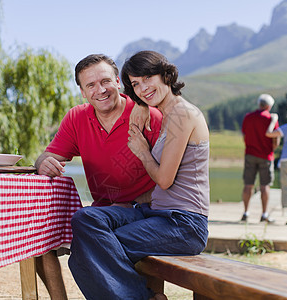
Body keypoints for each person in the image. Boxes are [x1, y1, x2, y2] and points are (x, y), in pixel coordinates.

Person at [68, 50, 210, 300]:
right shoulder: (165, 113)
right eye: (135, 83)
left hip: (184, 224)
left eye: (147, 78)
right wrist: (142, 107)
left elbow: (164, 180)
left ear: (165, 74)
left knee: (87, 252)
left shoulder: (183, 114)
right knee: (85, 218)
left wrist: (143, 151)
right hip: (156, 215)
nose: (143, 88)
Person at [34, 54, 163, 299]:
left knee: (82, 248)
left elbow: (171, 178)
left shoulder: (147, 116)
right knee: (82, 248)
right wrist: (44, 163)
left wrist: (133, 201)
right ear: (82, 92)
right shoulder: (76, 118)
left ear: (117, 82)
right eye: (91, 85)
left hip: (145, 212)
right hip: (104, 216)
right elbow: (46, 156)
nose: (100, 90)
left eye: (105, 81)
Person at [240, 94, 280, 223]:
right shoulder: (271, 118)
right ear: (269, 106)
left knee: (248, 185)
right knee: (265, 186)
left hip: (250, 154)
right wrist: (272, 150)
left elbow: (244, 135)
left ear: (259, 104)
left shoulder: (248, 117)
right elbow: (276, 139)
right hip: (266, 156)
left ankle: (246, 212)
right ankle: (264, 214)